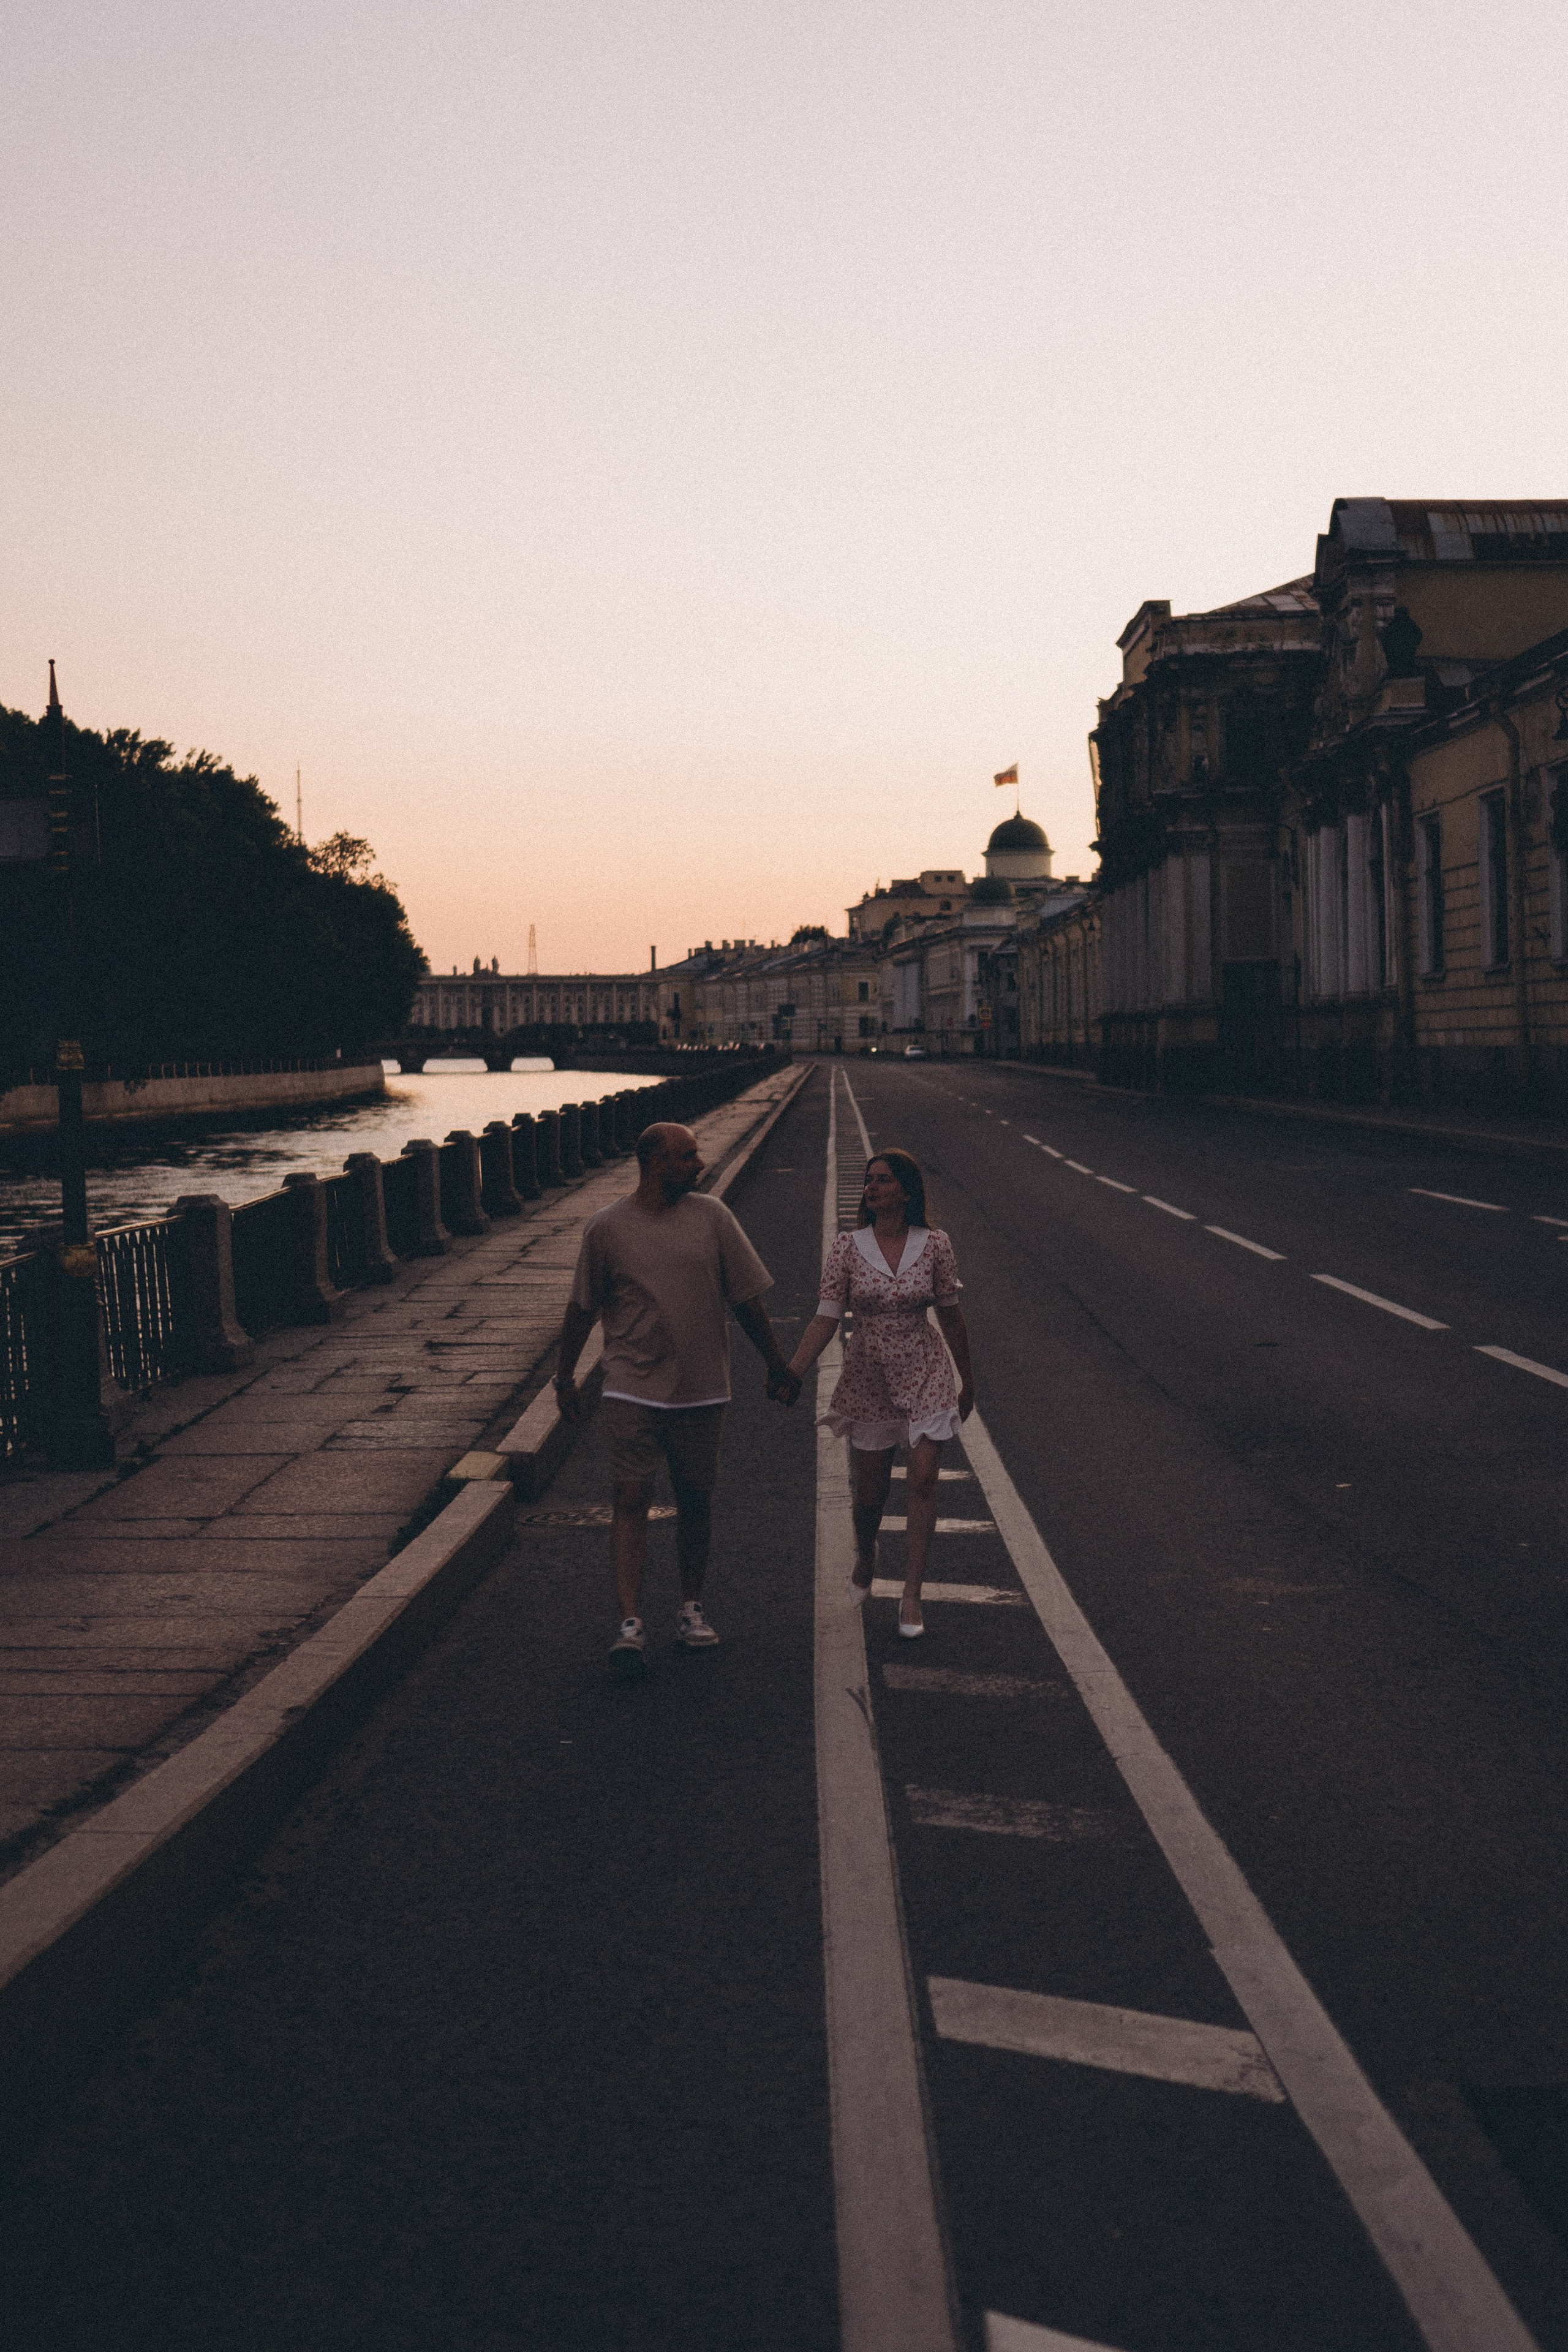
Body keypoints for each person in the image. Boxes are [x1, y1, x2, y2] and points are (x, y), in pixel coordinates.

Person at [555, 1121, 801, 1680]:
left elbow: (747, 1301)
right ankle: (630, 1622)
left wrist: (776, 1364)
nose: (699, 1164)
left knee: (695, 1499)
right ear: (654, 1163)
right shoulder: (606, 1228)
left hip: (701, 1385)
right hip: (631, 1383)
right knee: (631, 1495)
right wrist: (564, 1376)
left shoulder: (713, 1218)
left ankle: (690, 1607)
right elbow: (582, 1308)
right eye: (688, 1156)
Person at [788, 1148, 973, 1637]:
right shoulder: (848, 1248)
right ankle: (866, 1553)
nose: (871, 1187)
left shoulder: (935, 1244)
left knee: (924, 1480)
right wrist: (794, 1372)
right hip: (869, 1374)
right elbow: (826, 1317)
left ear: (906, 1191)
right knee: (871, 1495)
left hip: (925, 1367)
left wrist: (967, 1380)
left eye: (884, 1179)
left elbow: (951, 1314)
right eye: (869, 1179)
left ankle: (912, 1595)